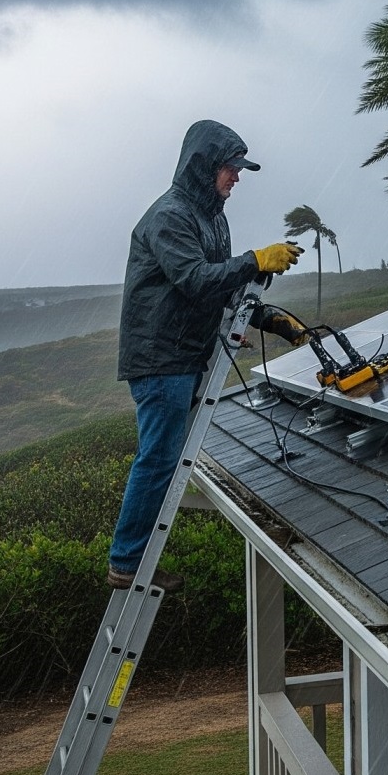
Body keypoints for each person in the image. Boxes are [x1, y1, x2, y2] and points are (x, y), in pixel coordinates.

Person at [109, 119, 303, 592]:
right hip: (161, 359)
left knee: (167, 455)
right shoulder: (170, 216)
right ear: (205, 166)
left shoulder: (213, 218)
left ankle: (132, 556)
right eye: (230, 169)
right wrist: (257, 259)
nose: (236, 178)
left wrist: (269, 319)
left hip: (186, 355)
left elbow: (223, 287)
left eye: (239, 170)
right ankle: (127, 561)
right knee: (158, 457)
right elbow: (196, 279)